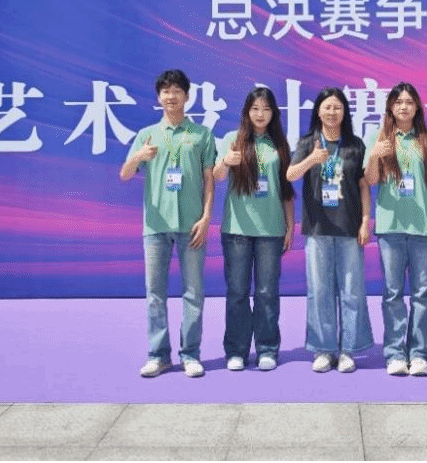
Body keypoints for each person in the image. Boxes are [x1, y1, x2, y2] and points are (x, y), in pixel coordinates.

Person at [119, 68, 216, 379]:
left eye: (177, 91)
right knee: (155, 294)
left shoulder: (201, 134)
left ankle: (190, 355)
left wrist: (206, 217)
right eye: (165, 91)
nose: (171, 96)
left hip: (192, 225)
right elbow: (125, 174)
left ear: (187, 96)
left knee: (194, 293)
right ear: (158, 97)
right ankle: (158, 355)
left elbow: (209, 180)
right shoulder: (147, 134)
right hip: (156, 226)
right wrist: (138, 156)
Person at [286, 87, 373, 373]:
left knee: (351, 290)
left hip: (349, 227)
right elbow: (290, 174)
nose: (332, 112)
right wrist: (312, 159)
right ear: (318, 111)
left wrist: (365, 221)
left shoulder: (355, 145)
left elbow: (364, 185)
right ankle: (323, 349)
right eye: (327, 107)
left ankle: (349, 349)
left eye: (337, 107)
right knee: (319, 290)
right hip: (318, 228)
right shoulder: (308, 142)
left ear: (344, 111)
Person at [363, 82, 427, 378]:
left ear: (417, 107)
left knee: (422, 293)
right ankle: (395, 353)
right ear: (390, 107)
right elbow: (370, 181)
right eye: (398, 102)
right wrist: (375, 154)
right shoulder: (379, 137)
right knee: (393, 293)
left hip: (422, 226)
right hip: (391, 227)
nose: (404, 107)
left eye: (409, 102)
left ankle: (419, 354)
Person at [212, 87, 295, 372]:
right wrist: (226, 161)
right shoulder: (231, 140)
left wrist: (289, 226)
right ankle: (236, 350)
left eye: (266, 109)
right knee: (237, 292)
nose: (260, 114)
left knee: (267, 292)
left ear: (273, 114)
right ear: (247, 111)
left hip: (271, 230)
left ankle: (267, 349)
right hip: (237, 229)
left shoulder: (279, 145)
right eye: (255, 108)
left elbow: (286, 190)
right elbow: (216, 176)